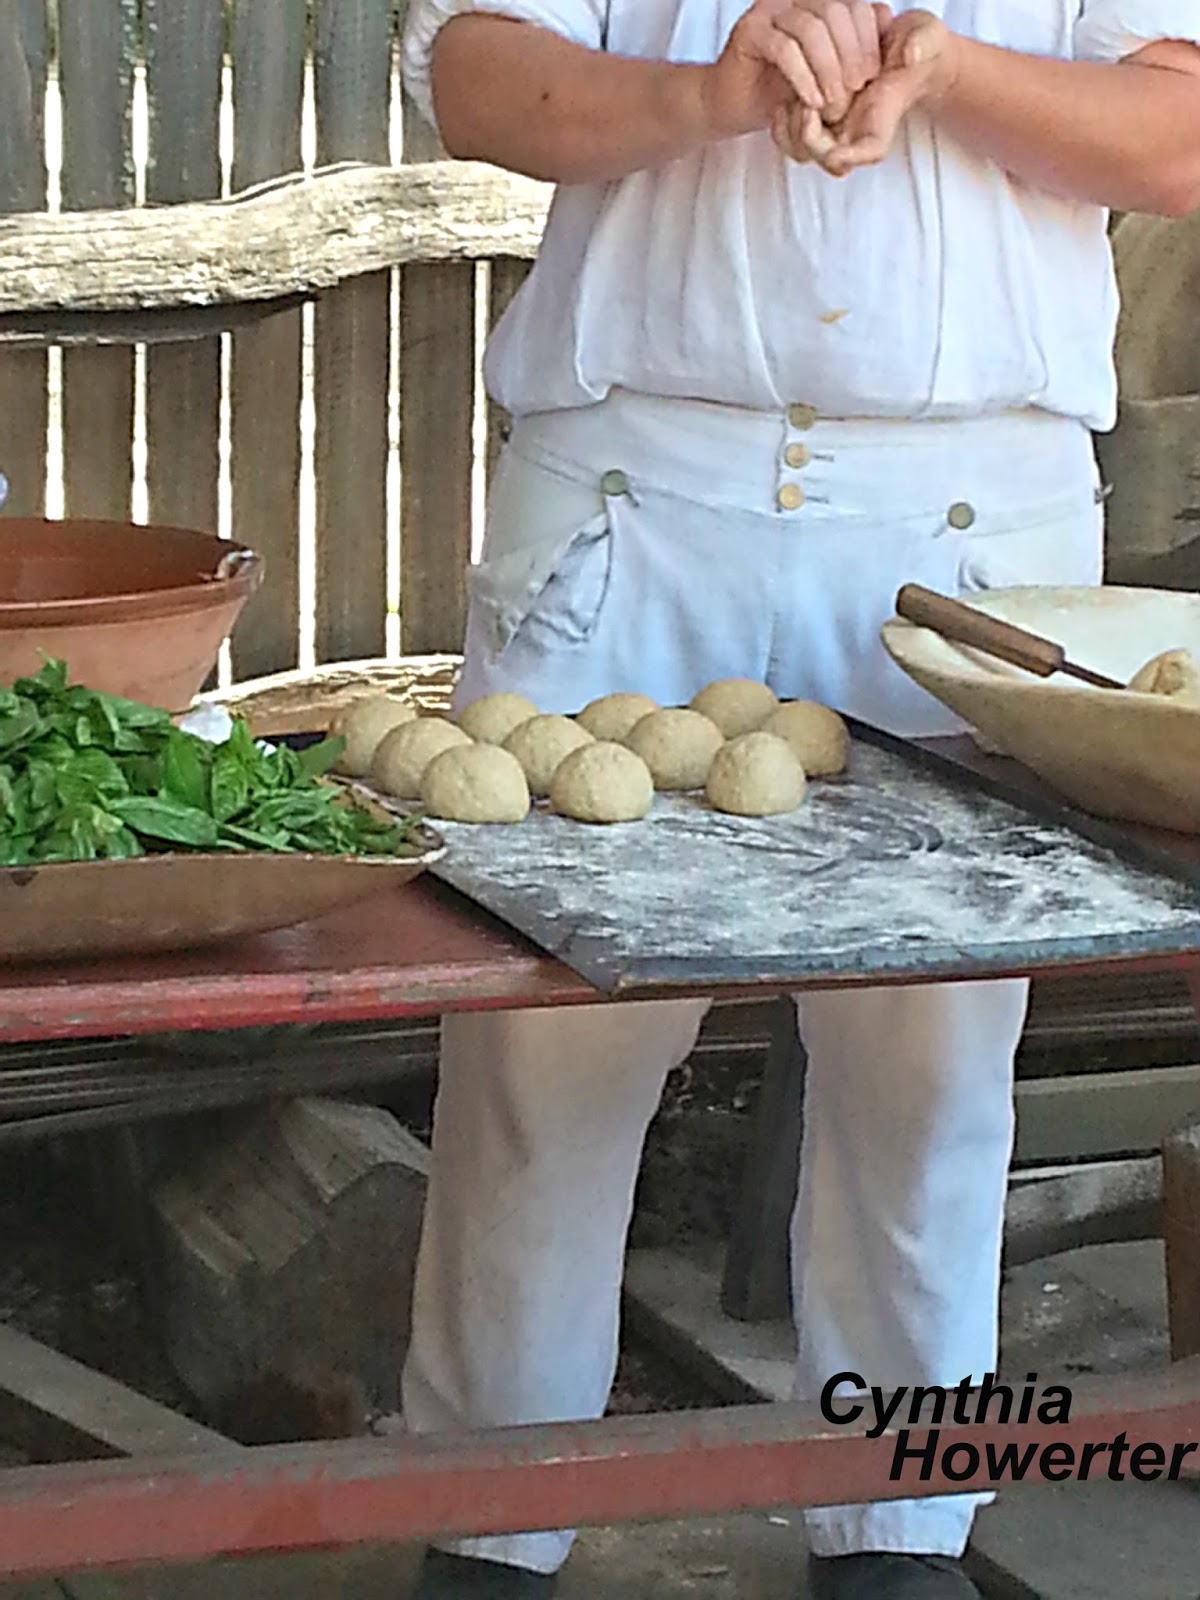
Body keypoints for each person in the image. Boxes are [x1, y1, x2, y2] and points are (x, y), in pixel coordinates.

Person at [398, 3, 1200, 1596]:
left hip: (965, 529)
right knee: (540, 1069)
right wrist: (709, 93)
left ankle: (901, 1537)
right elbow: (472, 76)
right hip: (634, 498)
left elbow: (1178, 133)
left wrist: (953, 73)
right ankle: (485, 1530)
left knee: (929, 1078)